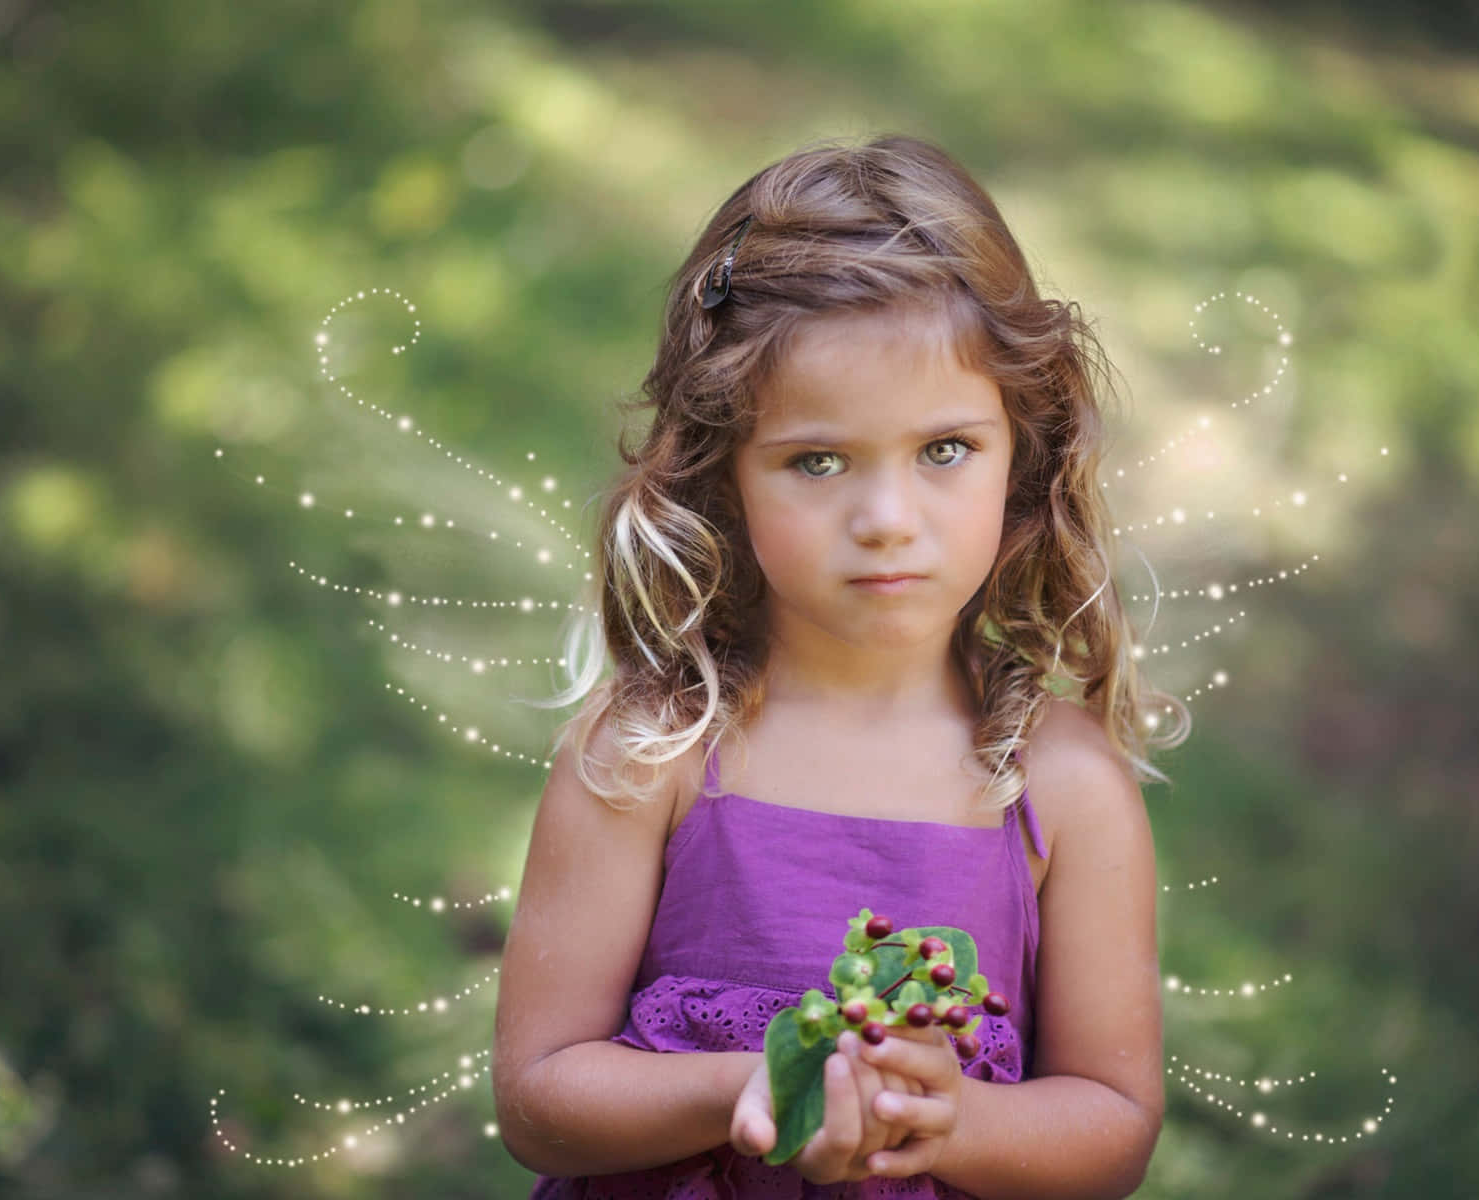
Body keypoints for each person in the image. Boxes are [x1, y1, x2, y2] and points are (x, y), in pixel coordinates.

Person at [491, 133, 1186, 1199]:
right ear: (721, 473)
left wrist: (949, 1124)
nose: (887, 521)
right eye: (817, 461)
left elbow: (1111, 1128)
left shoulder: (1062, 786)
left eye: (944, 451)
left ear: (1022, 453)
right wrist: (747, 1089)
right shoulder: (650, 755)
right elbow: (539, 1099)